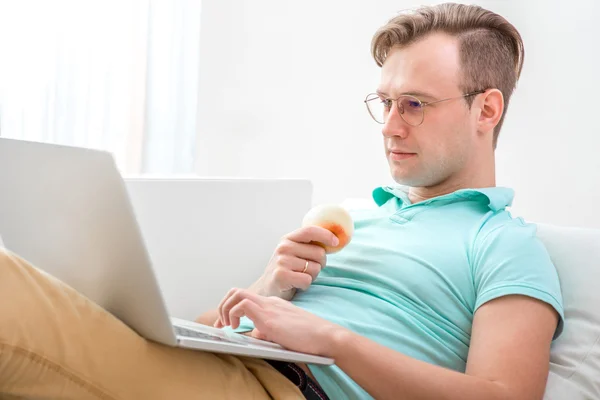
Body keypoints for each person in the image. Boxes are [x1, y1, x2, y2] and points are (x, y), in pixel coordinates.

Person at [0, 3, 563, 399]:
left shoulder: (505, 245)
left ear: (486, 111)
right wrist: (270, 289)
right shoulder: (355, 215)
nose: (389, 127)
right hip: (225, 367)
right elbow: (212, 328)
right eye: (384, 101)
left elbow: (504, 395)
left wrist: (332, 341)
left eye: (414, 104)